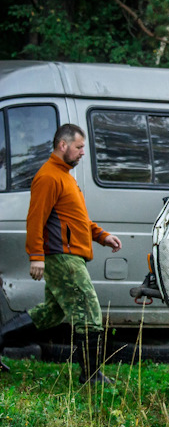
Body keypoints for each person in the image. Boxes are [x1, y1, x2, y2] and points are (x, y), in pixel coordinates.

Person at [0, 124, 122, 382]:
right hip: (62, 257)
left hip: (71, 255)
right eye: (78, 147)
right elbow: (35, 219)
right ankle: (91, 375)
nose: (82, 153)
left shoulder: (66, 176)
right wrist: (36, 256)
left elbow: (77, 220)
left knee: (51, 313)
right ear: (63, 145)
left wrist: (102, 236)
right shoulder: (48, 177)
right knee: (89, 313)